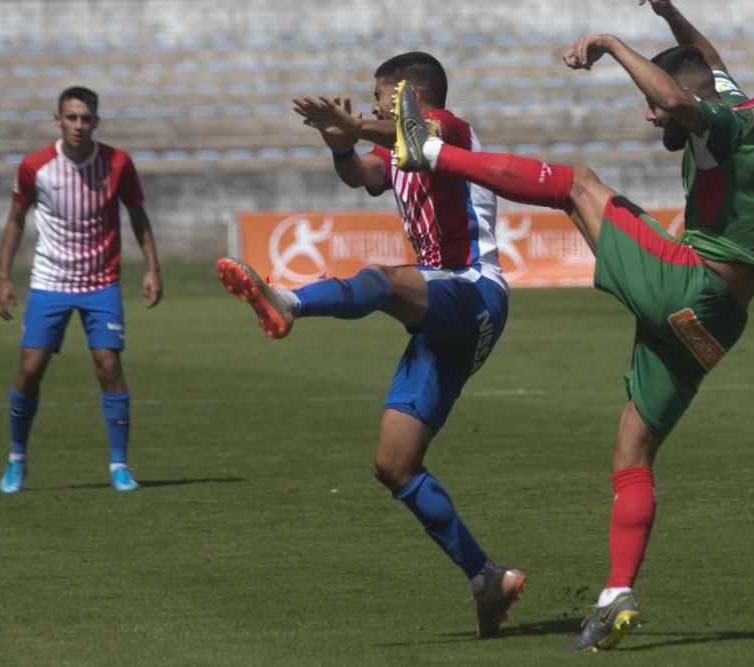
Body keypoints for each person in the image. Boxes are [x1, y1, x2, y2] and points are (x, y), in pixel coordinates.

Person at [392, 0, 754, 652]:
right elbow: (706, 61)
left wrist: (609, 41)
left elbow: (675, 92)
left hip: (690, 283)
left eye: (657, 105)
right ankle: (616, 595)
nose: (649, 112)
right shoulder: (748, 109)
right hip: (717, 323)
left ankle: (427, 150)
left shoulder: (716, 122)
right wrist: (668, 13)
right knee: (631, 452)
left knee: (577, 185)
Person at [215, 52, 525, 638]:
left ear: (408, 93)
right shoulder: (398, 146)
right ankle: (487, 578)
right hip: (447, 309)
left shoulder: (451, 128)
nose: (374, 101)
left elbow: (411, 133)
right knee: (393, 464)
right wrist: (341, 145)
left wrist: (358, 127)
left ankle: (289, 302)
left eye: (381, 94)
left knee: (382, 279)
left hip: (474, 289)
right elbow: (366, 176)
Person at [0, 86, 163, 494]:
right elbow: (16, 219)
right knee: (30, 369)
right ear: (58, 120)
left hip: (101, 282)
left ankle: (119, 465)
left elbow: (138, 216)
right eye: (71, 118)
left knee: (108, 366)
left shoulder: (118, 163)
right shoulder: (36, 166)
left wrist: (152, 269)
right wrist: (3, 277)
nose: (78, 126)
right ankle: (17, 458)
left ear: (96, 122)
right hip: (49, 281)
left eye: (86, 119)